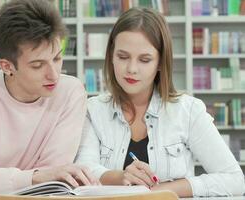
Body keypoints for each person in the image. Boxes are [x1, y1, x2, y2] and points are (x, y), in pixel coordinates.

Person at [74, 7, 245, 197]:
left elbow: (235, 179)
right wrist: (120, 177)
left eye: (145, 60)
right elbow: (84, 170)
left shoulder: (188, 111)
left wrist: (163, 190)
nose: (131, 69)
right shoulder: (93, 110)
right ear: (111, 57)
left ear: (160, 63)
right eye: (122, 57)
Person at [0, 0, 99, 197]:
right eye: (37, 65)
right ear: (7, 66)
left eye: (57, 58)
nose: (54, 75)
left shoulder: (70, 92)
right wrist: (35, 177)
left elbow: (52, 183)